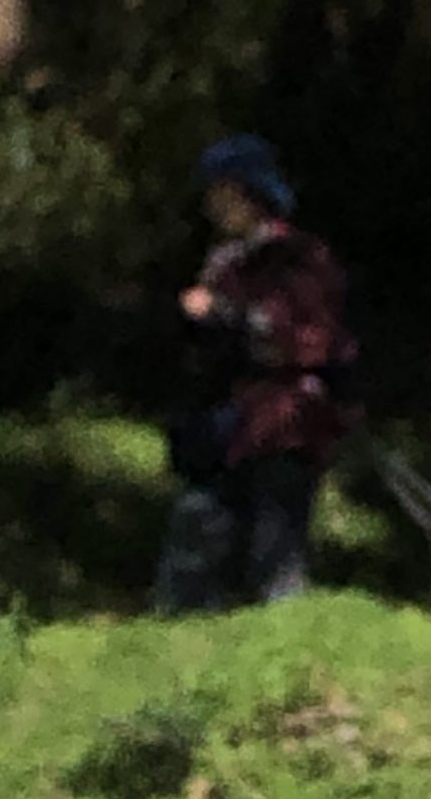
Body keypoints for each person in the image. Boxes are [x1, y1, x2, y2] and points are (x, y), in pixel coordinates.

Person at [153, 135, 358, 611]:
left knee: (276, 556)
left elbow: (307, 341)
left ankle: (291, 664)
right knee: (195, 540)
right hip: (228, 423)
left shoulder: (300, 258)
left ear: (251, 192)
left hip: (286, 424)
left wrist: (227, 317)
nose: (214, 205)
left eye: (223, 192)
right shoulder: (224, 261)